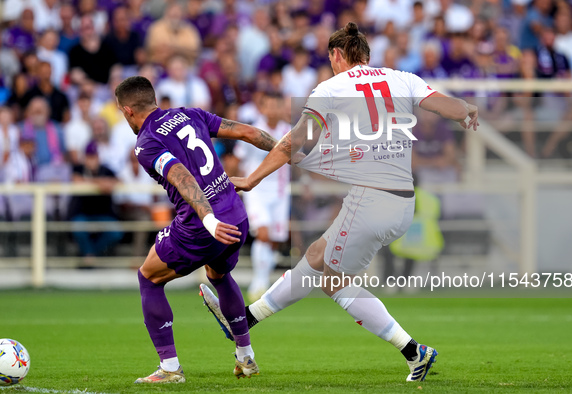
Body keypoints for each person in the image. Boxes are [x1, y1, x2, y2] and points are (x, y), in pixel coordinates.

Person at [201, 22, 478, 382]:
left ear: (337, 55)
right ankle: (245, 318)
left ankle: (415, 352)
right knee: (316, 257)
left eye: (330, 58)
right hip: (402, 200)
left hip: (371, 198)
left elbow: (291, 143)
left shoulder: (331, 88)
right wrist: (466, 107)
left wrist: (252, 179)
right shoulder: (402, 78)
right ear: (366, 54)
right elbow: (450, 109)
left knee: (332, 281)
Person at [114, 76, 281, 383]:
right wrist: (286, 151)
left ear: (127, 111)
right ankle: (246, 358)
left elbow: (181, 176)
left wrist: (208, 219)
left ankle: (170, 368)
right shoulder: (190, 114)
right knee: (218, 273)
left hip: (203, 225)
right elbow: (248, 132)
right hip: (236, 214)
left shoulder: (147, 142)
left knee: (148, 276)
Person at [233, 92, 291, 302]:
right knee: (264, 234)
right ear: (262, 108)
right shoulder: (253, 131)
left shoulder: (288, 131)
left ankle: (264, 282)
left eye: (278, 105)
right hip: (256, 190)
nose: (274, 110)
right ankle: (259, 284)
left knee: (275, 240)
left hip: (281, 192)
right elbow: (239, 159)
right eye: (270, 106)